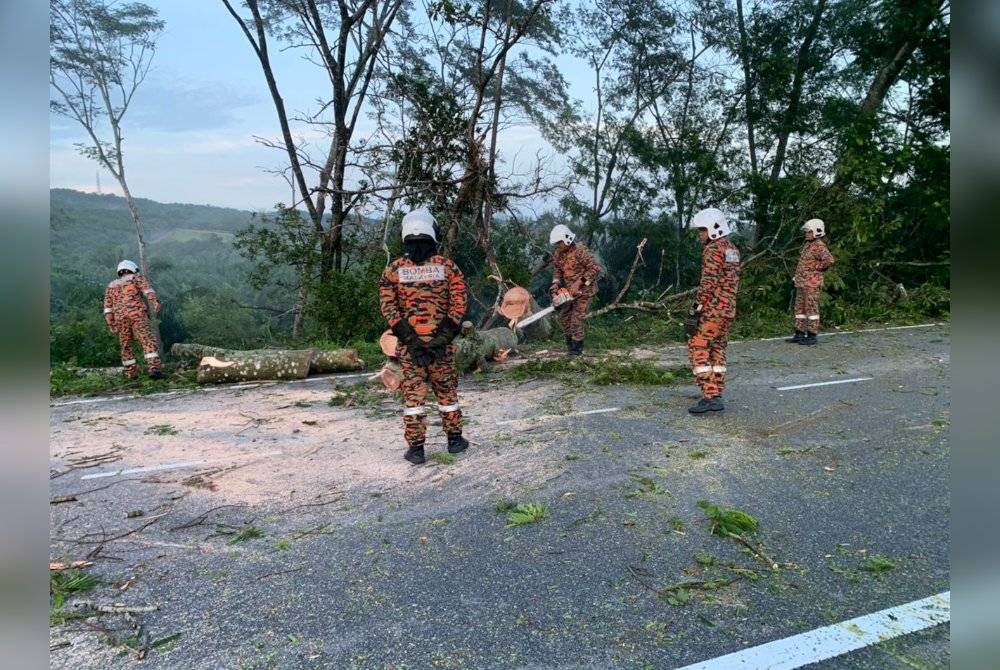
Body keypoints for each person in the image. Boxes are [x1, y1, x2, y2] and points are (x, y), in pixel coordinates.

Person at [378, 208, 469, 465]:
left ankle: (416, 450)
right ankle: (455, 441)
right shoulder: (448, 267)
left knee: (414, 399)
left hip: (410, 350)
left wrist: (412, 341)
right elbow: (459, 306)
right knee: (447, 394)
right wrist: (440, 340)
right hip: (442, 348)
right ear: (432, 233)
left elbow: (389, 309)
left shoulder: (393, 271)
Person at [685, 208, 741, 414]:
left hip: (713, 310)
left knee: (697, 346)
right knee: (718, 349)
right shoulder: (732, 249)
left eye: (701, 230)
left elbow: (708, 283)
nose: (699, 234)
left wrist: (696, 308)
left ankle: (710, 395)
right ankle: (716, 391)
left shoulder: (713, 249)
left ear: (714, 229)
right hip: (728, 310)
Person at [103, 260, 163, 379]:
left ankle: (130, 372)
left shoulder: (111, 285)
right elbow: (147, 291)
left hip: (121, 319)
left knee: (126, 345)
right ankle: (154, 368)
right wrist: (155, 301)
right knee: (147, 340)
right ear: (133, 269)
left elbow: (107, 308)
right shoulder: (136, 278)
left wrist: (111, 323)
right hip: (137, 315)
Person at [549, 224, 601, 356]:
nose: (557, 246)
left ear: (567, 239)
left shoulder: (580, 251)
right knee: (564, 318)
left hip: (585, 291)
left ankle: (576, 351)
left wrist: (579, 282)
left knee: (576, 320)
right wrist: (555, 285)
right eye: (556, 244)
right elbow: (557, 271)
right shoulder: (558, 254)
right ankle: (570, 347)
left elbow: (594, 269)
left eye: (559, 243)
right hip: (568, 292)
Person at [787, 218, 835, 345]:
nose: (806, 234)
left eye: (808, 232)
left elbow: (829, 260)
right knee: (799, 309)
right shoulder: (807, 245)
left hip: (812, 283)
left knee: (811, 309)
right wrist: (795, 278)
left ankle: (812, 335)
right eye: (806, 232)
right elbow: (802, 264)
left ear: (816, 231)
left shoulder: (819, 246)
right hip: (801, 282)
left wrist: (816, 268)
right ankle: (799, 333)